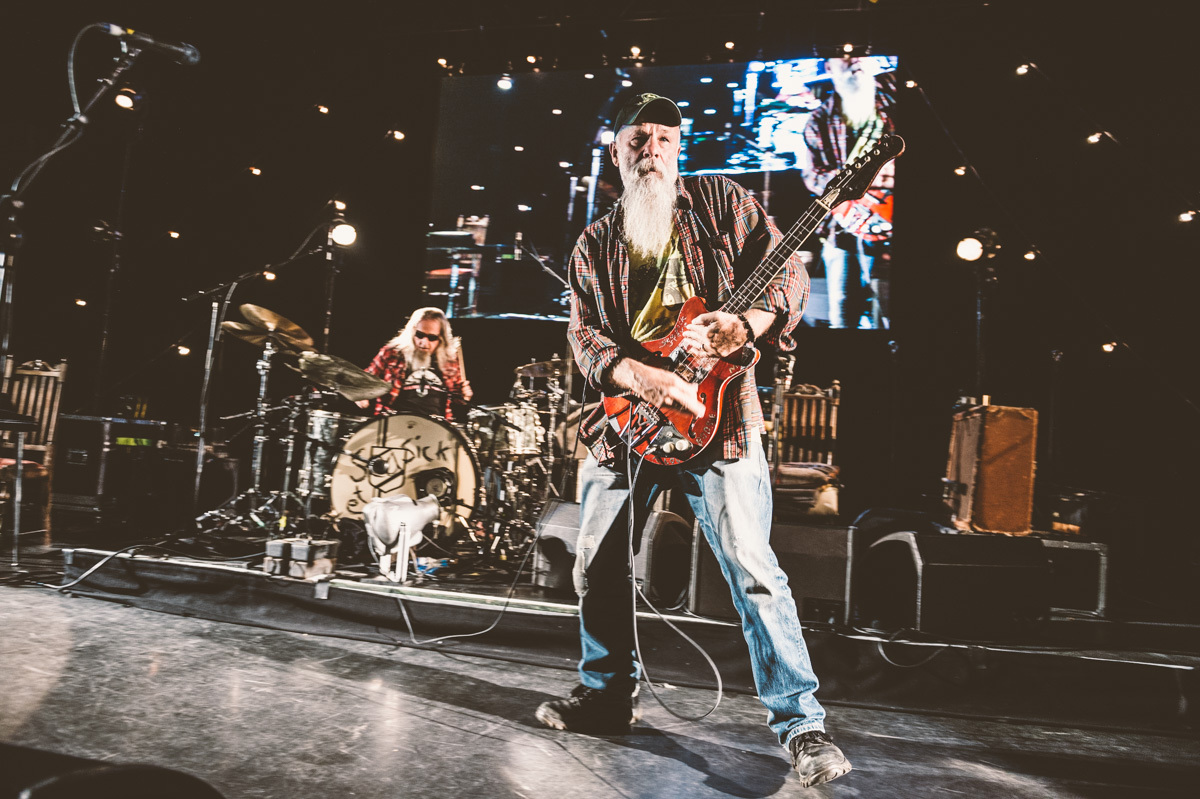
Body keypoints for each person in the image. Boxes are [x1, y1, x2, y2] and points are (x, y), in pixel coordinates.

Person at [535, 92, 851, 788]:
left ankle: (802, 725)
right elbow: (586, 340)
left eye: (664, 140)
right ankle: (608, 695)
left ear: (679, 151)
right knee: (595, 562)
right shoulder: (595, 243)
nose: (652, 149)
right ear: (614, 151)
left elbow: (785, 270)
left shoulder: (721, 203)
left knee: (754, 568)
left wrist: (751, 326)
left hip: (722, 420)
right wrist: (640, 378)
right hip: (630, 420)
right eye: (637, 139)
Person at [802, 56, 896, 329]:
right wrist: (855, 190)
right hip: (843, 229)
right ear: (829, 67)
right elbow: (812, 175)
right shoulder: (818, 120)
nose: (854, 58)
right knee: (843, 315)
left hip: (890, 223)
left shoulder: (893, 97)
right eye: (842, 55)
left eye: (859, 52)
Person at [356, 307, 472, 419]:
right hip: (393, 423)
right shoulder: (392, 353)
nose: (424, 342)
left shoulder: (449, 360)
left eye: (431, 338)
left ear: (441, 338)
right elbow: (364, 381)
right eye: (420, 335)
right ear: (412, 332)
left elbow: (458, 399)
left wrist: (464, 396)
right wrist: (360, 395)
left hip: (436, 428)